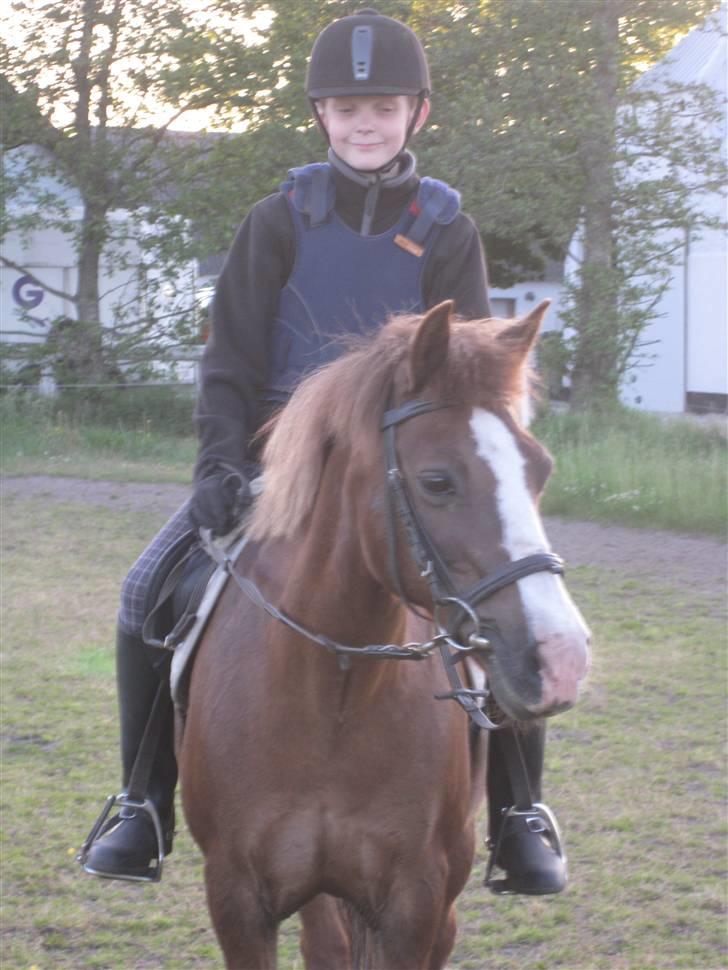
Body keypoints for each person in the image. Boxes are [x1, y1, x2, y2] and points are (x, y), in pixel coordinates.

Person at [82, 7, 566, 896]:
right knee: (148, 590)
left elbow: (476, 372)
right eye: (346, 110)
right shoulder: (277, 220)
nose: (364, 125)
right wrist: (219, 467)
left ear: (418, 113)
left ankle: (516, 814)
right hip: (282, 469)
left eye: (382, 107)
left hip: (406, 473)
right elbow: (230, 358)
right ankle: (141, 802)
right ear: (322, 119)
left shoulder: (448, 229)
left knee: (510, 599)